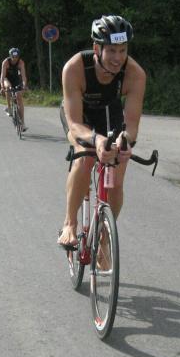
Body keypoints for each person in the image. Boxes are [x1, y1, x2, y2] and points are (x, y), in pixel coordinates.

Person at [57, 15, 146, 249]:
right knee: (85, 157)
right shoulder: (75, 68)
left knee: (116, 174)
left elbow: (132, 124)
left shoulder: (135, 74)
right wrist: (96, 140)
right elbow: (74, 124)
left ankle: (105, 237)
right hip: (80, 117)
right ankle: (69, 223)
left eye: (123, 50)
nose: (118, 58)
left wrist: (125, 140)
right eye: (112, 51)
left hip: (109, 113)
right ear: (97, 48)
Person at [0, 47, 29, 130]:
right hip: (7, 79)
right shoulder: (5, 62)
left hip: (16, 79)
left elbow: (23, 76)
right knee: (8, 87)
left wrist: (24, 85)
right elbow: (2, 76)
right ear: (10, 56)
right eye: (13, 57)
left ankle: (22, 123)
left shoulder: (21, 62)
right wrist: (2, 86)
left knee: (19, 96)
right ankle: (9, 108)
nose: (15, 59)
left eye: (16, 57)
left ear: (18, 56)